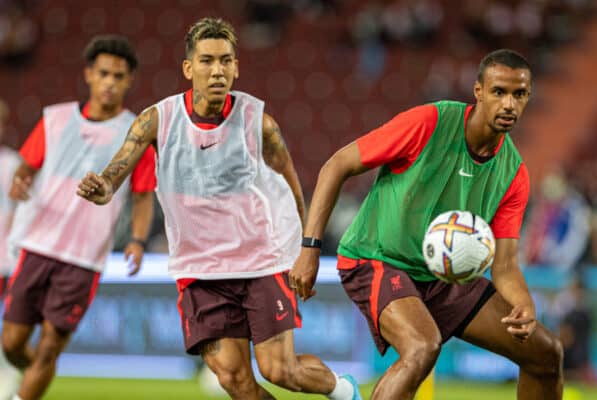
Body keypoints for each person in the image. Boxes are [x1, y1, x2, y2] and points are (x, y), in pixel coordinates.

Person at [77, 17, 361, 400]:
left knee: (279, 370)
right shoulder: (158, 120)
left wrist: (305, 248)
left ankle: (343, 391)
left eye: (226, 61)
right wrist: (104, 187)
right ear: (188, 68)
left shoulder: (258, 123)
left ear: (237, 67)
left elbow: (289, 181)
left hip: (259, 261)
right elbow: (117, 169)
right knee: (236, 382)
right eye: (207, 61)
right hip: (199, 270)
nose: (218, 70)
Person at [290, 49, 563, 400]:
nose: (509, 104)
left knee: (545, 353)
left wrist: (523, 303)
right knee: (422, 346)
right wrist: (309, 249)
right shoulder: (430, 122)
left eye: (519, 94)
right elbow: (337, 165)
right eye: (499, 92)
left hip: (443, 276)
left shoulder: (514, 173)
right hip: (375, 259)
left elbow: (506, 264)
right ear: (478, 91)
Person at [1, 35, 156, 400]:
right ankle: (32, 379)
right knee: (11, 343)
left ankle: (27, 389)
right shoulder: (54, 119)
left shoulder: (136, 136)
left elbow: (143, 195)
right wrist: (21, 183)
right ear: (89, 74)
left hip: (84, 259)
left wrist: (137, 239)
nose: (110, 82)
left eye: (119, 76)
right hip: (37, 245)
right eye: (104, 73)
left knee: (52, 345)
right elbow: (27, 167)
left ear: (129, 80)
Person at [0, 100, 23, 399]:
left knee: (10, 329)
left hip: (6, 261)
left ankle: (8, 378)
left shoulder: (12, 164)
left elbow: (25, 212)